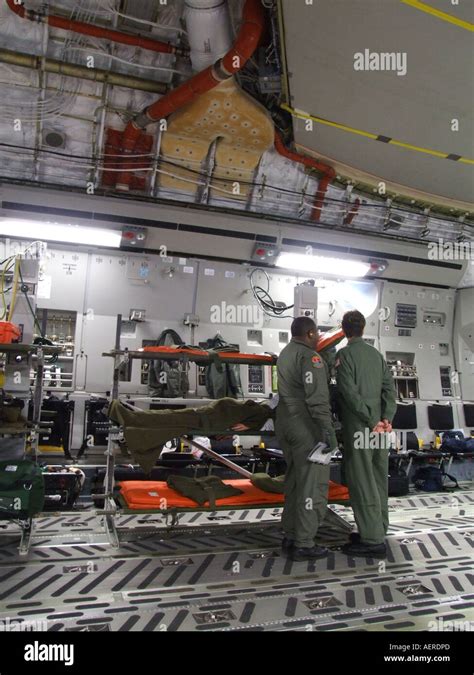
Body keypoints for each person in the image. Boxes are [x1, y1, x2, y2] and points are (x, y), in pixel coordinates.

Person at [275, 316, 338, 561]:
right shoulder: (311, 358)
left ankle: (291, 535)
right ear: (311, 333)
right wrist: (329, 432)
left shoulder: (285, 353)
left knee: (294, 482)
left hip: (286, 423)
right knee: (313, 484)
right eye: (317, 335)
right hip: (306, 425)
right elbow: (317, 400)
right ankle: (304, 543)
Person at [336, 310, 397, 559]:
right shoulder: (376, 355)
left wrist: (371, 421)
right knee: (378, 477)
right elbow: (389, 390)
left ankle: (372, 539)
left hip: (360, 428)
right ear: (363, 328)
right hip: (380, 430)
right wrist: (386, 419)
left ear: (344, 329)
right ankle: (379, 527)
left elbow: (349, 394)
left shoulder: (344, 356)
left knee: (362, 481)